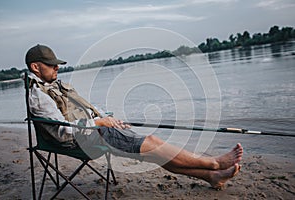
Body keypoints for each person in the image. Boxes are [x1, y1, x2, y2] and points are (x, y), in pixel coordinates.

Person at [25, 44, 243, 190]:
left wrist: (109, 118)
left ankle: (211, 177)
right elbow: (63, 131)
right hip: (83, 140)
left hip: (95, 130)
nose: (57, 68)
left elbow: (87, 110)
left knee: (154, 152)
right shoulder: (39, 96)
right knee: (153, 144)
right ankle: (213, 164)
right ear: (36, 67)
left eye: (56, 64)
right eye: (51, 64)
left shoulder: (55, 85)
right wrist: (100, 123)